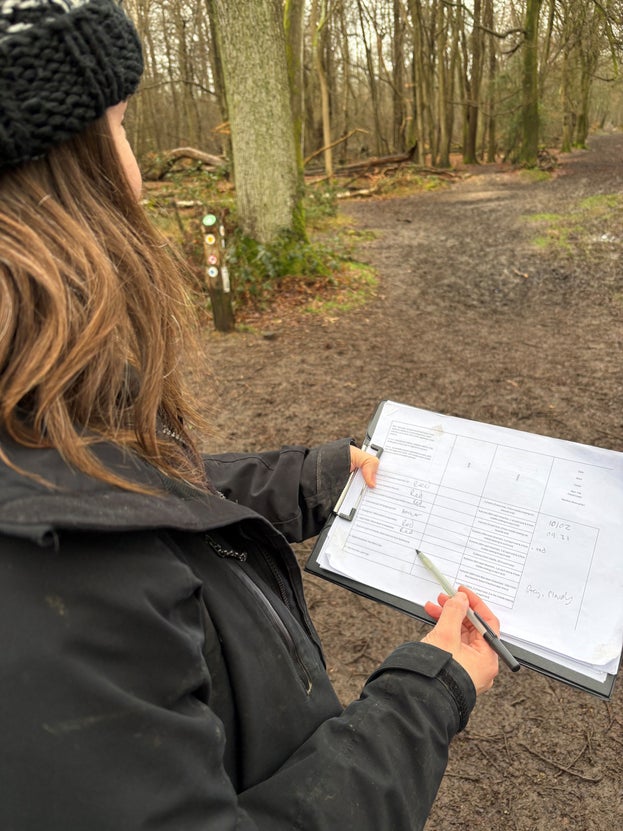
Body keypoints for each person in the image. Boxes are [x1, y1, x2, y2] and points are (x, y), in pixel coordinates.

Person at [0, 2, 499, 828]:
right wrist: (424, 690)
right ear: (57, 179)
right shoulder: (44, 580)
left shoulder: (34, 407)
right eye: (120, 126)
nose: (135, 172)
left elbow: (120, 491)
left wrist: (307, 480)